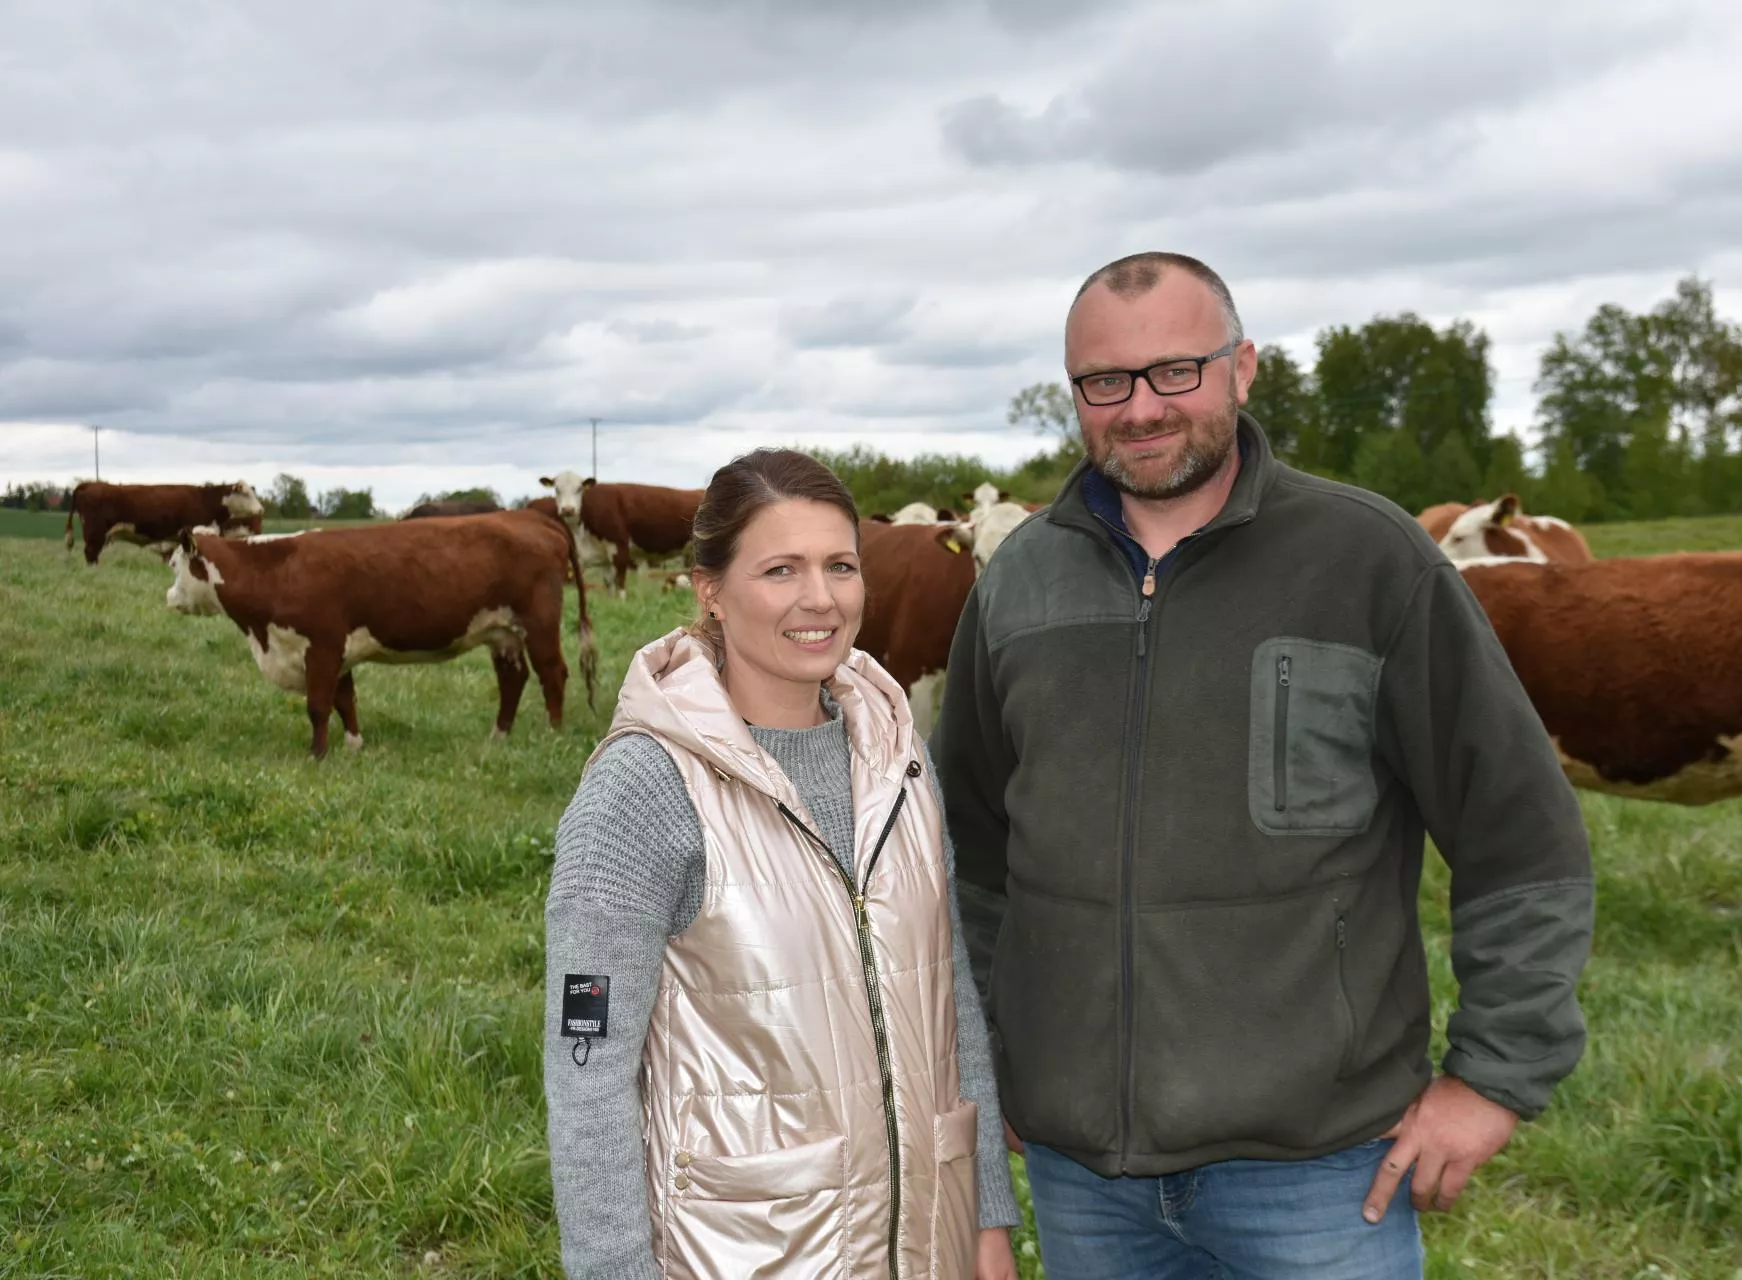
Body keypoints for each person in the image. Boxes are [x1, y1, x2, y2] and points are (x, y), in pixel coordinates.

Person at [932, 253, 1595, 1280]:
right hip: (1078, 1171)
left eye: (1176, 370)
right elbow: (970, 860)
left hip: (1317, 1169)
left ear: (1243, 367)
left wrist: (1495, 1075)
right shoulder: (1019, 580)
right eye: (1105, 381)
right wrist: (991, 1072)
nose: (1141, 407)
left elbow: (1522, 833)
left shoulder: (1369, 560)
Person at [544, 448, 1021, 1280]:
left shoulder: (899, 760)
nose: (820, 599)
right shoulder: (645, 789)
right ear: (711, 592)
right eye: (780, 570)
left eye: (841, 565)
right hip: (747, 1254)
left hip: (927, 1244)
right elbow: (587, 1068)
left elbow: (953, 999)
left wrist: (986, 1219)